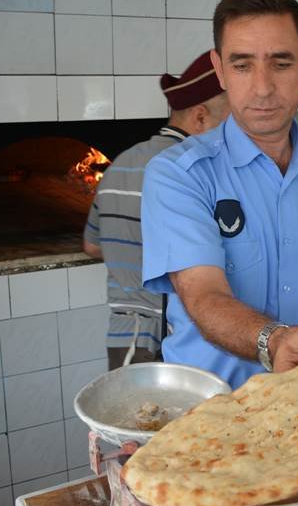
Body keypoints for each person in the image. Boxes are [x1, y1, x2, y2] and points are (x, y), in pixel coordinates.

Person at [140, 0, 298, 389]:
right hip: (216, 415)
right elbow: (203, 295)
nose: (263, 87)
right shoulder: (179, 174)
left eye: (281, 63)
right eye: (243, 65)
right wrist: (274, 340)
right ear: (219, 70)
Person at [83, 51, 230, 371]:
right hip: (174, 342)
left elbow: (92, 245)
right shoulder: (195, 173)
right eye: (231, 121)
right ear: (201, 117)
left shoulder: (116, 165)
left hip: (125, 340)